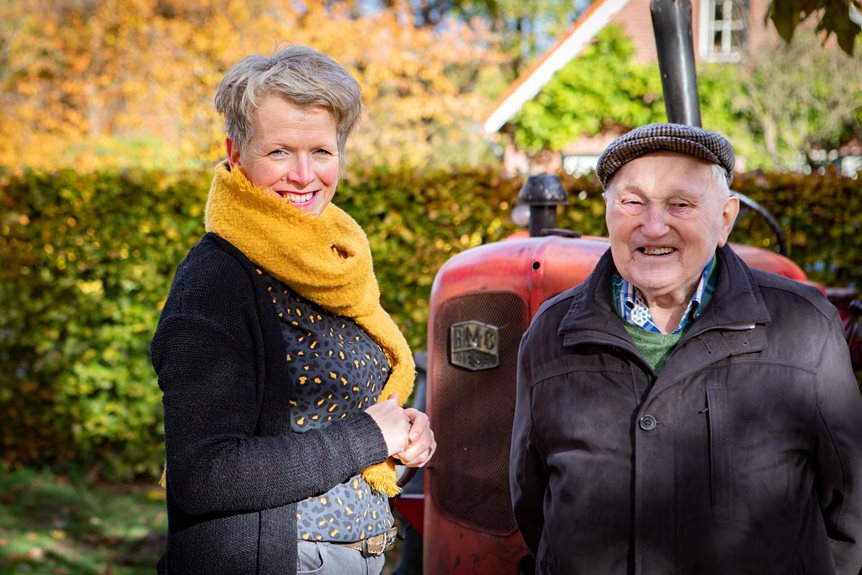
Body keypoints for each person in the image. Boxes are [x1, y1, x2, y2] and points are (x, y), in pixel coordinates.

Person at [509, 123, 862, 574]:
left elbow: (849, 504)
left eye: (681, 204)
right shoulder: (550, 332)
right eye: (632, 202)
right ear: (607, 215)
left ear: (725, 219)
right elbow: (533, 502)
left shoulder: (803, 326)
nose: (654, 226)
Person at [151, 45, 436, 575]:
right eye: (280, 151)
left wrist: (401, 435)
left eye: (322, 152)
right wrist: (369, 437)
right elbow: (204, 474)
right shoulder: (216, 280)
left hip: (361, 558)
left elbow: (335, 414)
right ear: (236, 153)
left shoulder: (333, 264)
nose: (304, 175)